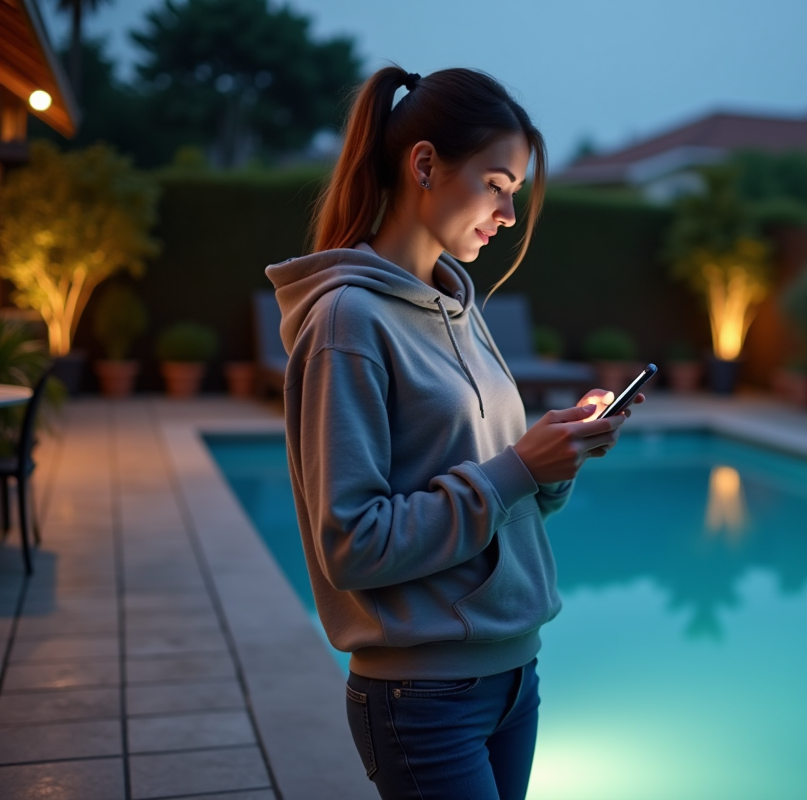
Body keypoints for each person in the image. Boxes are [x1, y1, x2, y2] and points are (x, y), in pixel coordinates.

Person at [265, 65, 643, 800]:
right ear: (426, 164)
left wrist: (555, 458)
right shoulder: (348, 321)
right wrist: (517, 471)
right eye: (497, 184)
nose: (507, 214)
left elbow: (508, 495)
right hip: (424, 698)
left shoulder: (457, 305)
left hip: (514, 676)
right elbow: (353, 544)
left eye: (515, 193)